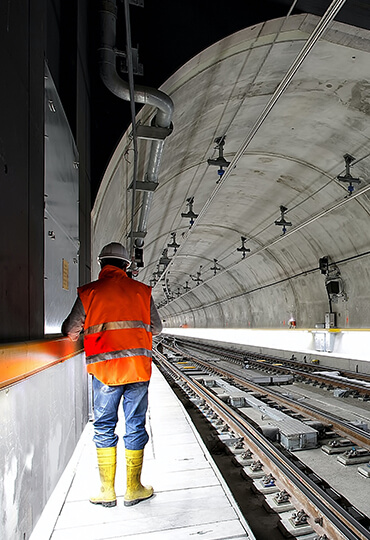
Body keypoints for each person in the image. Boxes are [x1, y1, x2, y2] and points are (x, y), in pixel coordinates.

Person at [62, 242, 162, 508]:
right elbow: (157, 327)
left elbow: (70, 330)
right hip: (138, 370)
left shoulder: (89, 292)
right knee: (135, 424)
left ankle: (107, 490)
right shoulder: (142, 292)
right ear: (127, 266)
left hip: (105, 372)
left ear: (101, 264)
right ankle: (134, 488)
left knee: (105, 425)